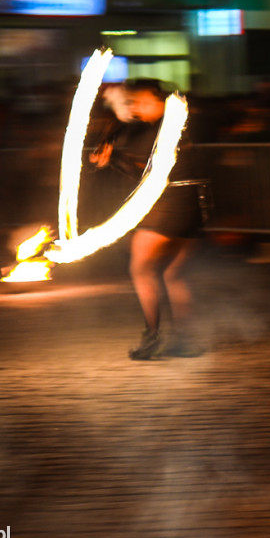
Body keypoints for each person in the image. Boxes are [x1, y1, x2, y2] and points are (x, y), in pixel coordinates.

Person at [90, 78, 207, 360]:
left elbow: (148, 172)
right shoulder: (180, 121)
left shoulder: (161, 128)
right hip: (194, 204)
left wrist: (114, 158)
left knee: (141, 269)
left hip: (171, 204)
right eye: (133, 103)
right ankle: (184, 340)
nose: (137, 108)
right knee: (173, 274)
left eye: (143, 102)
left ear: (159, 99)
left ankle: (152, 337)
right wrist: (114, 156)